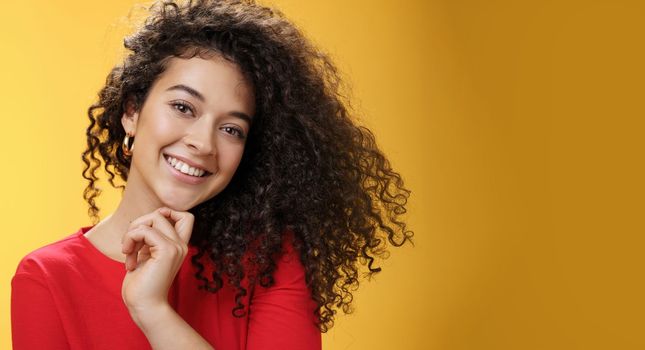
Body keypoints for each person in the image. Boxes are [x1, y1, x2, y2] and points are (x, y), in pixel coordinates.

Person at [10, 0, 413, 349]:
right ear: (132, 112)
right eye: (184, 107)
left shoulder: (271, 260)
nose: (204, 144)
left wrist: (152, 311)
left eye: (231, 129)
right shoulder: (46, 279)